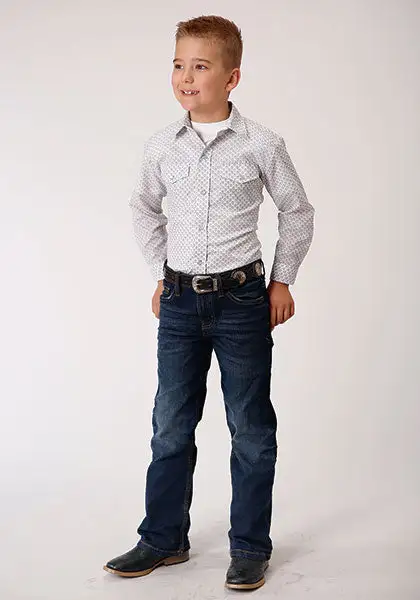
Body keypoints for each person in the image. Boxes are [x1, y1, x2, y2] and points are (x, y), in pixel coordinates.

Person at [103, 14, 315, 591]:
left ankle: (249, 546)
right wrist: (161, 273)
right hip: (178, 302)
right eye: (178, 65)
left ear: (232, 77)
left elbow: (297, 209)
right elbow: (143, 208)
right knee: (170, 424)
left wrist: (282, 281)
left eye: (200, 66)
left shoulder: (261, 143)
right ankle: (163, 538)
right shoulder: (161, 146)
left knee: (250, 427)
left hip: (242, 300)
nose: (186, 77)